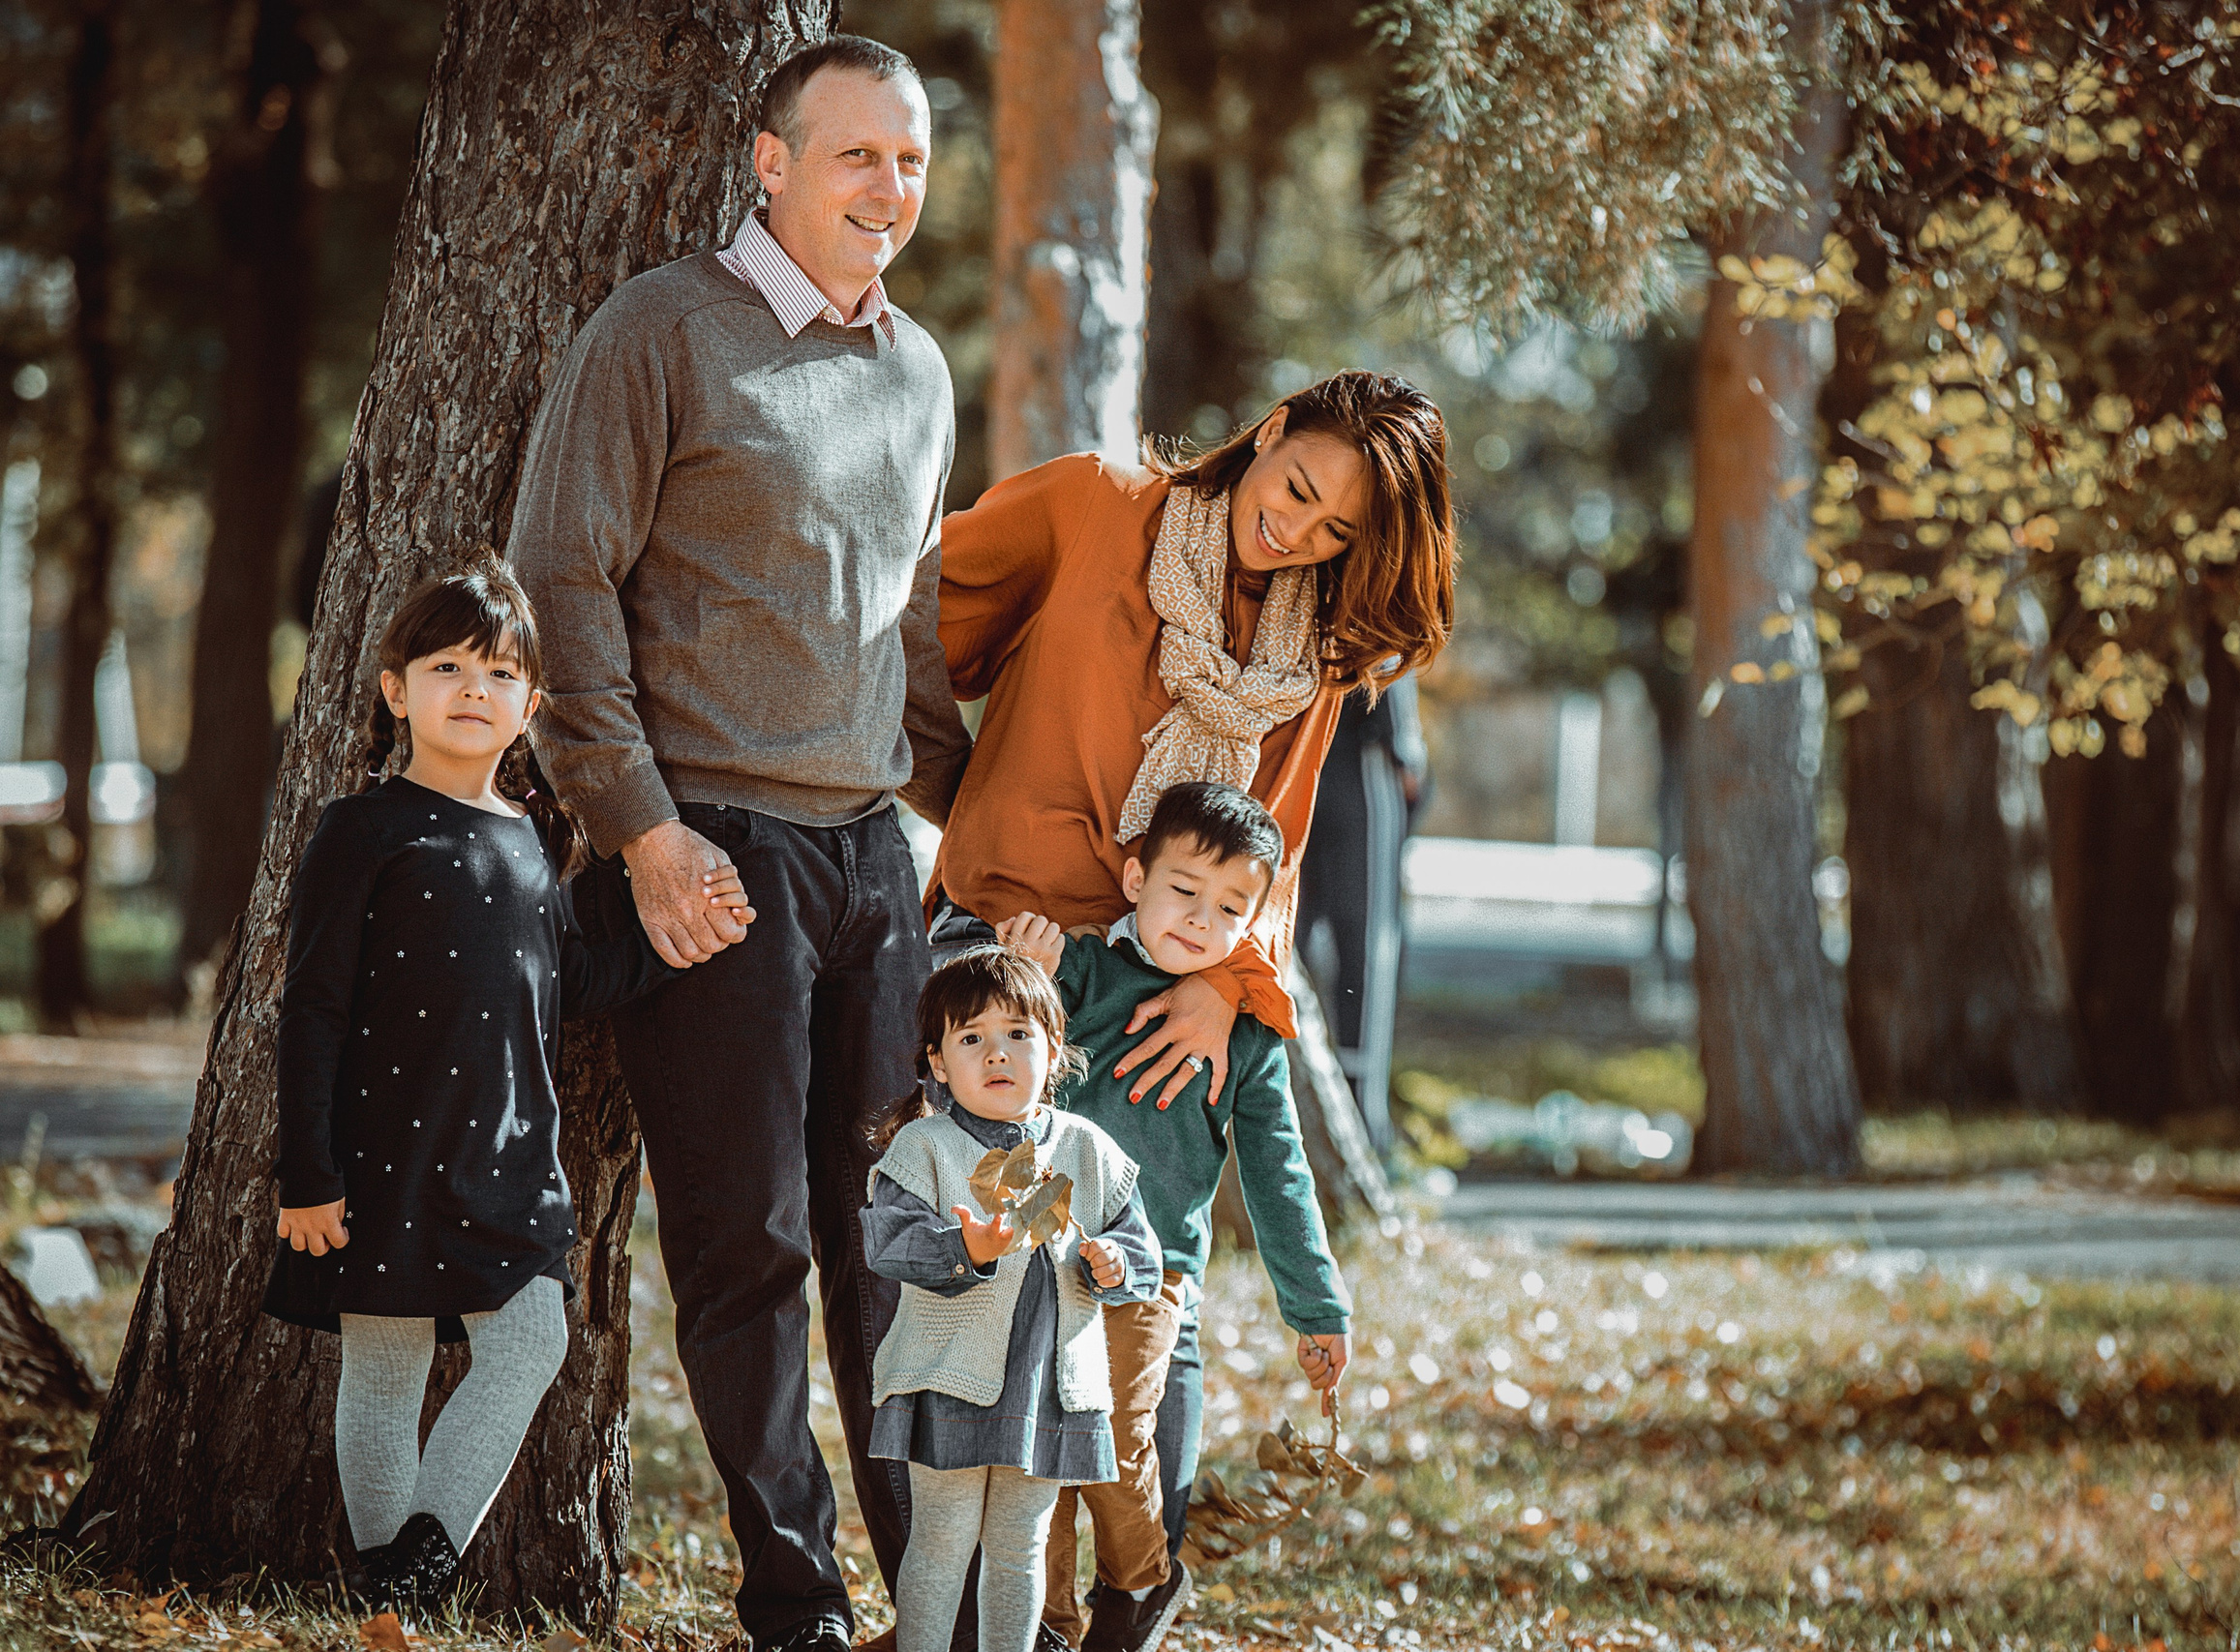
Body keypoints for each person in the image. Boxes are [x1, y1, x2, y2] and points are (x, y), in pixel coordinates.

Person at [504, 34, 969, 1652]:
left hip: (871, 864)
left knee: (893, 1246)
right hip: (714, 857)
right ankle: (798, 1605)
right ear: (768, 161)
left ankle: (942, 1594)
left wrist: (981, 827)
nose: (890, 191)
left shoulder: (918, 371)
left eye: (910, 161)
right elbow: (562, 578)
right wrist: (636, 830)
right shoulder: (662, 330)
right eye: (857, 156)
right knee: (752, 1247)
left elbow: (904, 637)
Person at [262, 568, 752, 1612]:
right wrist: (304, 1169)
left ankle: (417, 1562)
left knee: (531, 1340)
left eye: (498, 674)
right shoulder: (361, 831)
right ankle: (388, 1598)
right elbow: (309, 1010)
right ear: (397, 690)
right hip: (380, 1148)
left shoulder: (535, 840)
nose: (473, 690)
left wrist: (682, 937)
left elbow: (567, 980)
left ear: (531, 707)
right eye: (446, 669)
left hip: (508, 1156)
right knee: (386, 1367)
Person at [929, 371, 1459, 1116]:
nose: (1297, 534)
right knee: (953, 1223)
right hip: (1003, 954)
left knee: (1128, 1236)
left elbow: (1275, 849)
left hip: (1156, 998)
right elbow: (899, 621)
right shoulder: (1091, 504)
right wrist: (957, 797)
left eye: (1338, 531)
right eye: (1300, 492)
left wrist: (1218, 988)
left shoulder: (1313, 652)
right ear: (1271, 431)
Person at [994, 782, 1353, 1652]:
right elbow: (1001, 1084)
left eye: (1231, 906)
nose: (1200, 918)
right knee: (1035, 1459)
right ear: (1133, 876)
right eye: (1183, 889)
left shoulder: (1250, 1041)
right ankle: (1044, 1622)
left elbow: (1281, 1176)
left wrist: (1317, 1307)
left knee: (1127, 1450)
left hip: (1158, 1281)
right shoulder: (1078, 972)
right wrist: (1026, 983)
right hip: (1041, 1265)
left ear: (1256, 922)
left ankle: (1140, 1588)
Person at [861, 947, 1162, 1652]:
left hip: (1050, 1387)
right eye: (972, 1039)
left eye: (1018, 1034)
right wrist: (969, 1250)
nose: (998, 1053)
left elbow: (1142, 1251)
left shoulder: (1088, 1150)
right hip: (949, 1379)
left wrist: (1116, 1263)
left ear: (1053, 1049)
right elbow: (888, 1244)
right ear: (938, 1064)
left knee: (1021, 1543)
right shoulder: (923, 1147)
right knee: (941, 1538)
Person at [1294, 673, 1429, 1145]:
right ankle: (1362, 1127)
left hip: (1293, 761)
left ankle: (1313, 1113)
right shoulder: (1382, 612)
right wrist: (1407, 756)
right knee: (1366, 944)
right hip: (1356, 767)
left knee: (1288, 943)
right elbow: (1406, 763)